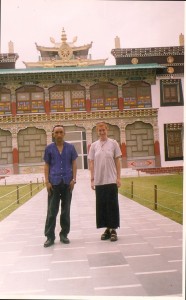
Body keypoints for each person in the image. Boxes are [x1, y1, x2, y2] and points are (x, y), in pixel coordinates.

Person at [43, 124, 78, 247]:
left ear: (64, 134)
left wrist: (74, 179)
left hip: (67, 183)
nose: (58, 135)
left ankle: (64, 234)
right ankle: (49, 237)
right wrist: (47, 181)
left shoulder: (70, 148)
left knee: (65, 210)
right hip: (54, 184)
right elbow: (46, 165)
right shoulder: (49, 149)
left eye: (60, 132)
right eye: (56, 132)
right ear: (53, 134)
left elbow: (74, 163)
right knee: (52, 211)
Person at [88, 122, 122, 242]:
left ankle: (113, 230)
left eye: (104, 130)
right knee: (102, 206)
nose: (102, 132)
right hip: (99, 180)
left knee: (112, 205)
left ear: (107, 130)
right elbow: (91, 163)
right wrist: (92, 179)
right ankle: (107, 229)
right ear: (97, 132)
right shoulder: (94, 146)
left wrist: (118, 177)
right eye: (99, 130)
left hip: (111, 179)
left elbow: (118, 161)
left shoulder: (113, 143)